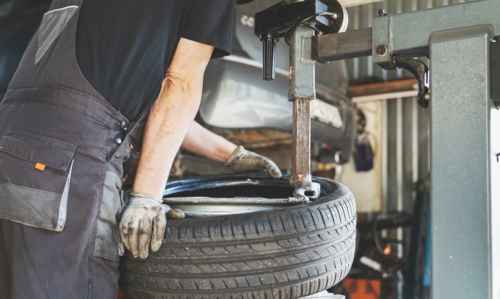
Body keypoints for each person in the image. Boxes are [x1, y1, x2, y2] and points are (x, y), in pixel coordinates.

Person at [0, 0, 280, 298]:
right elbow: (179, 84)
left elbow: (110, 103)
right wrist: (147, 197)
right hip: (70, 165)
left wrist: (230, 154)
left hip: (13, 147)